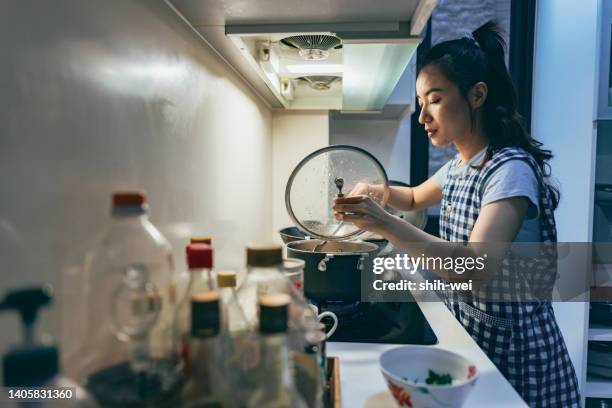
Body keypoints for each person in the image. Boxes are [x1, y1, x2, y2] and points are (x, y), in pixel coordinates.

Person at [333, 20, 580, 407]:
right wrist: (377, 191)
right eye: (419, 104)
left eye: (434, 99)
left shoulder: (509, 170)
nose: (422, 116)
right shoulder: (459, 165)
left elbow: (474, 267)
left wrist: (382, 222)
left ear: (476, 95)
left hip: (520, 362)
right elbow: (414, 197)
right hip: (477, 342)